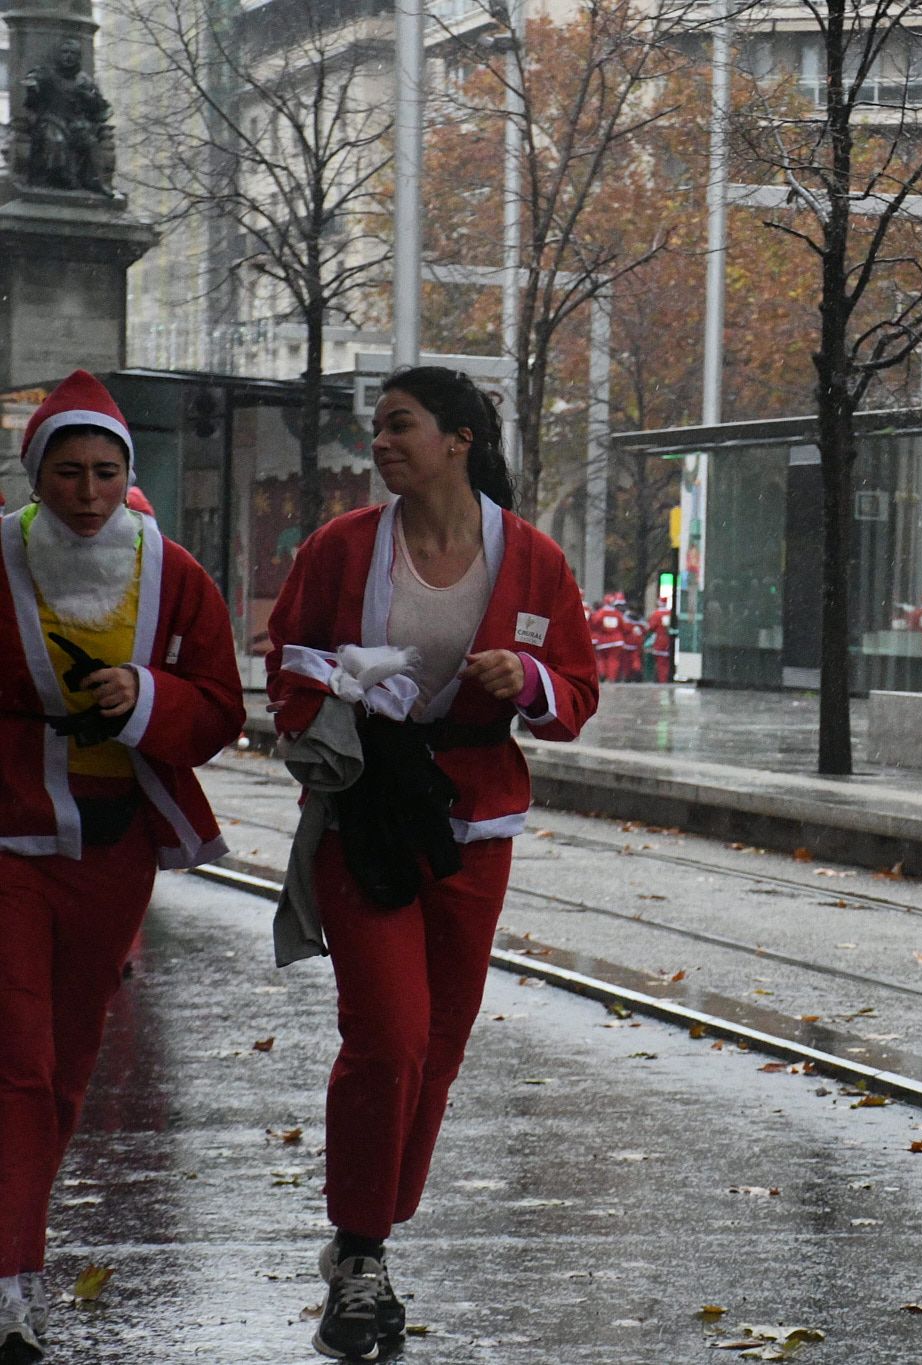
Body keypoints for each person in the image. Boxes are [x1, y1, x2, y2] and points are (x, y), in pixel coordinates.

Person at [266, 367, 600, 1362]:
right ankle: (361, 1250)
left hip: (474, 824)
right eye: (376, 428)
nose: (381, 442)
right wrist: (346, 678)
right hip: (366, 813)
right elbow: (287, 657)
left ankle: (370, 1234)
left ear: (459, 438)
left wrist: (527, 676)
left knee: (439, 1050)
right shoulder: (342, 548)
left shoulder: (531, 558)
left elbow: (576, 692)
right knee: (389, 1036)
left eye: (400, 424)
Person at [0, 372, 242, 1363]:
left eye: (105, 472)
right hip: (10, 839)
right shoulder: (1, 559)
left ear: (126, 476)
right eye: (68, 472)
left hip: (113, 848)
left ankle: (17, 1236)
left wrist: (145, 696)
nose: (88, 492)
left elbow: (220, 709)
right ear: (36, 474)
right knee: (15, 1060)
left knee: (65, 1068)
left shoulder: (173, 573)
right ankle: (10, 1279)